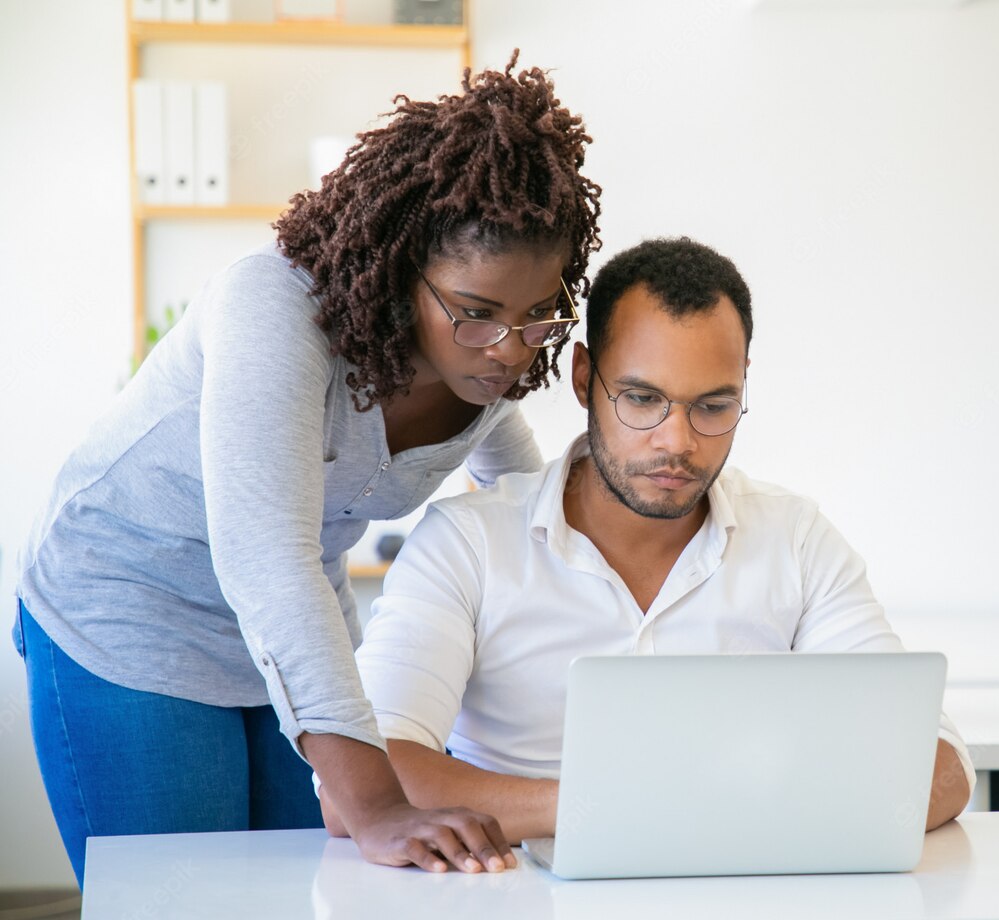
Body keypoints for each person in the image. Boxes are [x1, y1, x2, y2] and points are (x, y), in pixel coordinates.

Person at [13, 53, 600, 884]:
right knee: (190, 901)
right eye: (475, 314)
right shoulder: (275, 306)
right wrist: (382, 803)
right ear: (405, 271)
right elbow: (267, 553)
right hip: (129, 605)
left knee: (309, 892)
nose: (507, 349)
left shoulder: (487, 375)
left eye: (537, 314)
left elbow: (529, 513)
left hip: (285, 636)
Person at [323, 238, 974, 842]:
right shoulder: (467, 545)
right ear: (584, 380)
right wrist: (609, 807)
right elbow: (362, 782)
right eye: (641, 399)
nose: (677, 442)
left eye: (713, 406)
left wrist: (725, 815)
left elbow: (941, 763)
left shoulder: (795, 539)